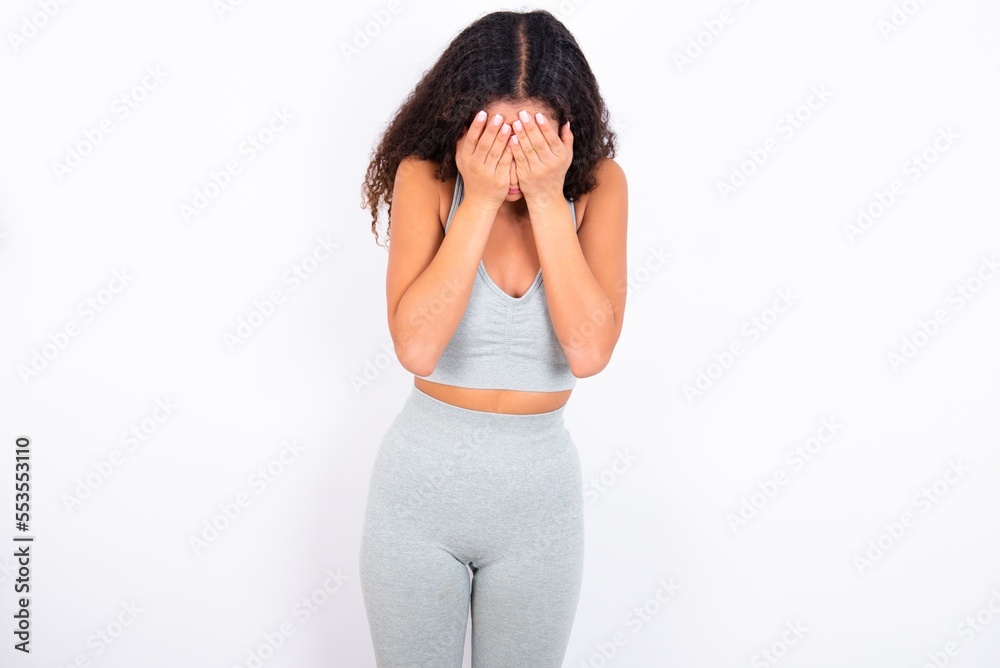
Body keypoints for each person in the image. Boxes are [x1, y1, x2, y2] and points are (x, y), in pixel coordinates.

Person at [358, 9, 627, 666]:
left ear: (568, 129)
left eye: (532, 139)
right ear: (462, 119)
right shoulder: (426, 178)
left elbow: (589, 352)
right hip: (418, 499)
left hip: (539, 509)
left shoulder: (601, 189)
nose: (514, 158)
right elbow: (417, 348)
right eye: (496, 136)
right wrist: (477, 201)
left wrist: (544, 197)